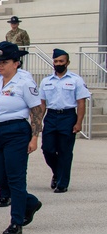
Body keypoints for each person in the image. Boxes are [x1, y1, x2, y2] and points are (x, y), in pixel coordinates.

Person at [0, 42, 43, 234]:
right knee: (1, 176)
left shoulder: (24, 82)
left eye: (5, 62)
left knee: (16, 178)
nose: (0, 65)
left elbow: (36, 110)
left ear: (16, 63)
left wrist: (35, 137)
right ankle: (30, 202)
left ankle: (16, 222)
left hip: (17, 131)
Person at [39, 48, 90, 193]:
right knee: (47, 149)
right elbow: (42, 103)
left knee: (65, 151)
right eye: (56, 61)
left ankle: (62, 183)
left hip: (67, 116)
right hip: (51, 116)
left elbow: (81, 103)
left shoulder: (76, 80)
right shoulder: (46, 81)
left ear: (67, 62)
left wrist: (79, 122)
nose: (58, 63)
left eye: (61, 61)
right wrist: (37, 122)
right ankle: (57, 172)